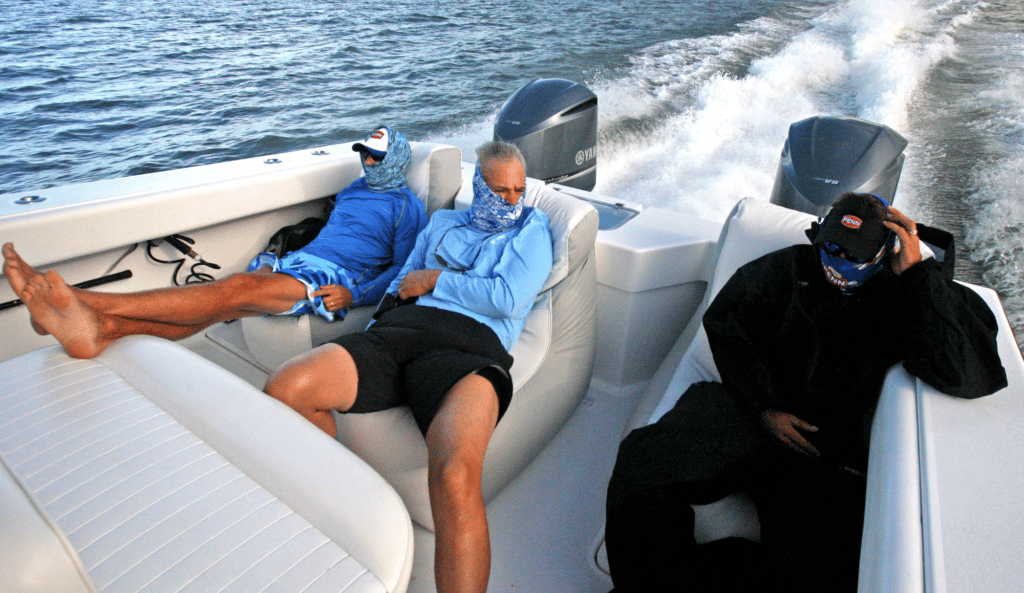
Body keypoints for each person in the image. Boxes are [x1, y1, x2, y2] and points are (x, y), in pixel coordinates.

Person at [604, 192, 1007, 592]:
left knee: (817, 578)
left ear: (886, 251)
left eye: (854, 255)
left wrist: (919, 276)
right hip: (752, 414)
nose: (838, 263)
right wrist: (763, 406)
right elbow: (726, 326)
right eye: (831, 248)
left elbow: (966, 373)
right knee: (643, 463)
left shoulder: (913, 294)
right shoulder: (785, 270)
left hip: (825, 454)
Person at [262, 140, 553, 593]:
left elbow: (509, 298)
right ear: (480, 188)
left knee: (455, 473)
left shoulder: (532, 231)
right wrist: (381, 320)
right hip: (398, 333)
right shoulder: (443, 223)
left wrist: (436, 280)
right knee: (287, 388)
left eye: (519, 190)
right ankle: (353, 517)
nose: (512, 201)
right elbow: (401, 281)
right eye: (501, 191)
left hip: (468, 345)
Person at [2, 126, 427, 360]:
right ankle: (100, 331)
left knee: (229, 291)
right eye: (365, 154)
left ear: (398, 160)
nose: (368, 162)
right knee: (222, 304)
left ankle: (82, 301)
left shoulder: (407, 208)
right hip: (302, 260)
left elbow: (402, 270)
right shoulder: (355, 187)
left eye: (378, 157)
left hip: (334, 279)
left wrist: (354, 295)